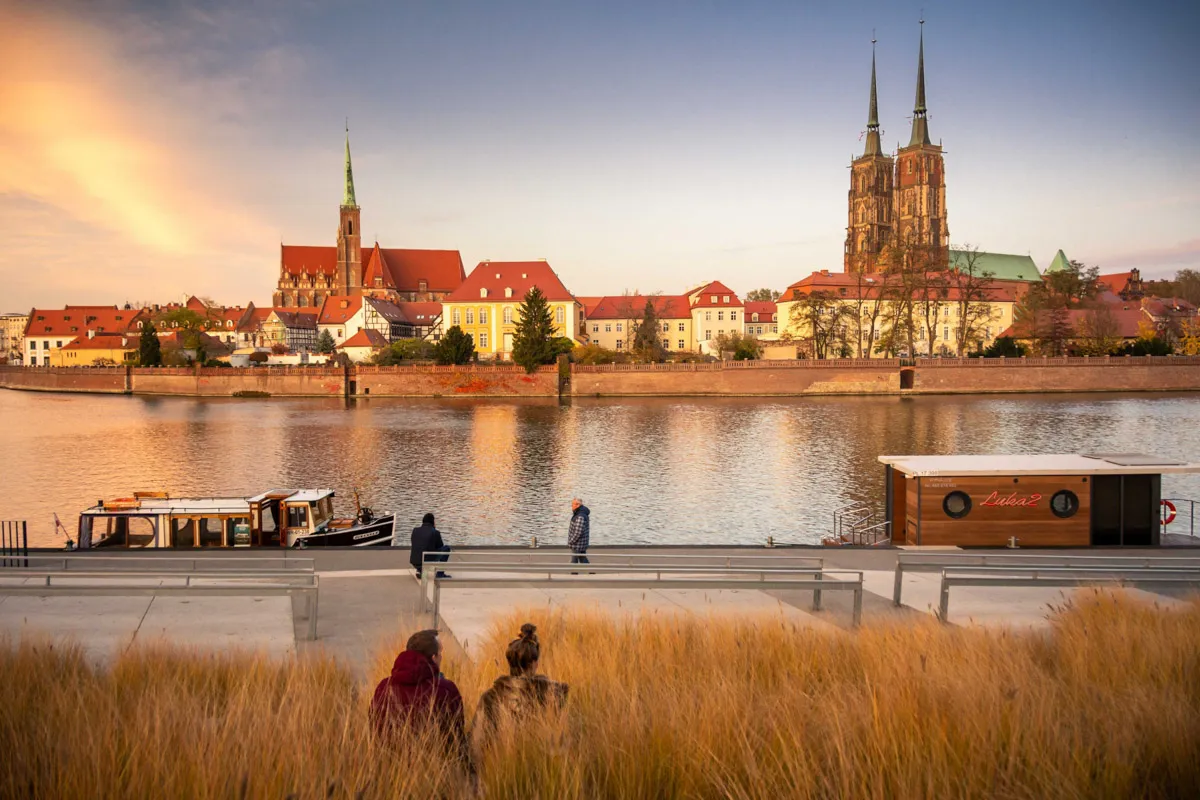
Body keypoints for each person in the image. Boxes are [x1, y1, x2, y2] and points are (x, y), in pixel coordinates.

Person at [370, 629, 467, 762]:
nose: (441, 657)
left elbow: (374, 730)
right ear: (434, 658)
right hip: (435, 768)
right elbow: (456, 739)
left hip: (387, 766)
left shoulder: (383, 687)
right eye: (440, 653)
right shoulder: (445, 690)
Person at [475, 623, 569, 746]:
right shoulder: (555, 695)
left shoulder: (490, 697)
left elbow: (477, 742)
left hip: (500, 761)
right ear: (535, 663)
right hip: (545, 762)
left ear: (509, 662)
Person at [410, 512, 450, 578]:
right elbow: (440, 547)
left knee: (421, 549)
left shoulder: (415, 530)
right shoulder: (435, 532)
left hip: (414, 561)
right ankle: (440, 574)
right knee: (446, 548)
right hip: (426, 561)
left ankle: (420, 570)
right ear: (433, 521)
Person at [568, 498, 590, 567]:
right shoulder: (580, 513)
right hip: (581, 542)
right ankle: (591, 572)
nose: (571, 506)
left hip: (577, 543)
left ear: (578, 505)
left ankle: (573, 575)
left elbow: (578, 532)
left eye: (572, 505)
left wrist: (571, 541)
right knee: (582, 558)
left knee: (574, 561)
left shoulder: (580, 516)